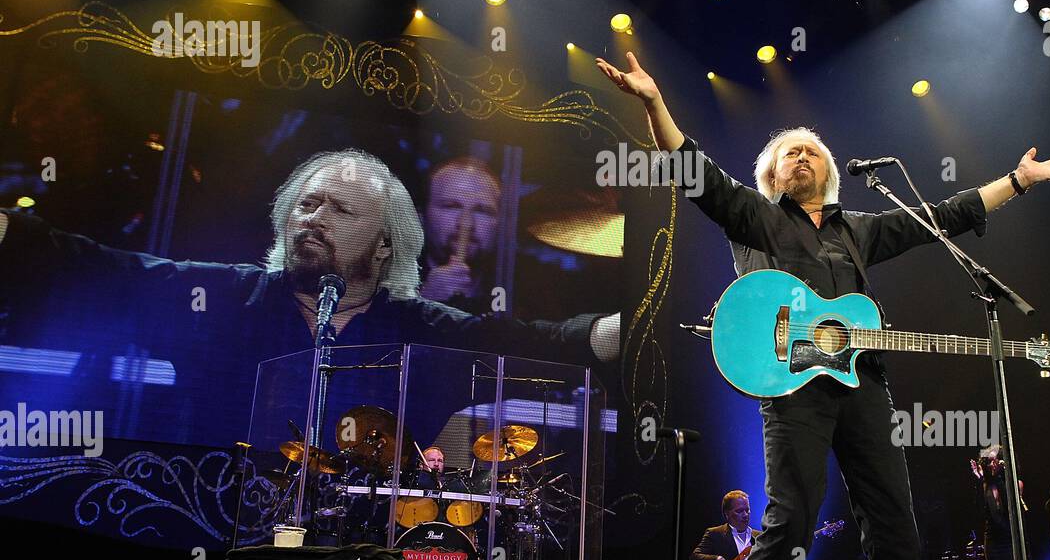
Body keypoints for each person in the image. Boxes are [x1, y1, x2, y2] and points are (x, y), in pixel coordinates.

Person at [597, 50, 1050, 560]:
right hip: (790, 381)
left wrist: (1017, 181)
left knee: (897, 527)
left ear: (828, 171)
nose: (802, 157)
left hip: (863, 383)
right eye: (789, 153)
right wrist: (655, 102)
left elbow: (937, 219)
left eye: (811, 152)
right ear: (772, 173)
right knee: (790, 521)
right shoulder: (755, 215)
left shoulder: (858, 228)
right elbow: (695, 171)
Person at [0, 149, 619, 447]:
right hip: (221, 548)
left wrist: (627, 329)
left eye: (340, 209)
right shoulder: (222, 299)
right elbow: (109, 273)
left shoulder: (422, 329)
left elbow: (536, 344)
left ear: (382, 247)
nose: (314, 216)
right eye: (305, 203)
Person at [420, 157, 502, 309]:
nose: (466, 223)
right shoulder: (382, 286)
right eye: (451, 206)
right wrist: (425, 301)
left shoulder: (512, 296)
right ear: (422, 216)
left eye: (482, 211)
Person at [689, 490, 762, 560]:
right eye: (739, 511)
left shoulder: (760, 538)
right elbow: (694, 558)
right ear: (727, 514)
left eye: (747, 510)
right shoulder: (715, 534)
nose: (745, 515)